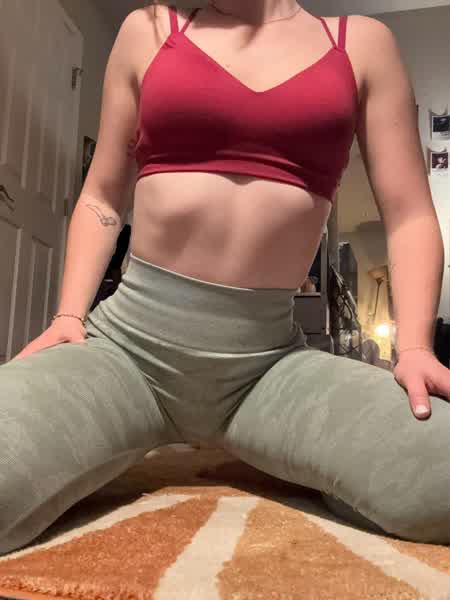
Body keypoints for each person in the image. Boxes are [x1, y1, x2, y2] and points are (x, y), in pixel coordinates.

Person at [0, 0, 448, 554]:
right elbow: (103, 194)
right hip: (126, 352)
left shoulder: (360, 44)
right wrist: (69, 315)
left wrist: (415, 347)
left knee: (440, 474)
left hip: (269, 370)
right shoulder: (147, 30)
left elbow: (408, 215)